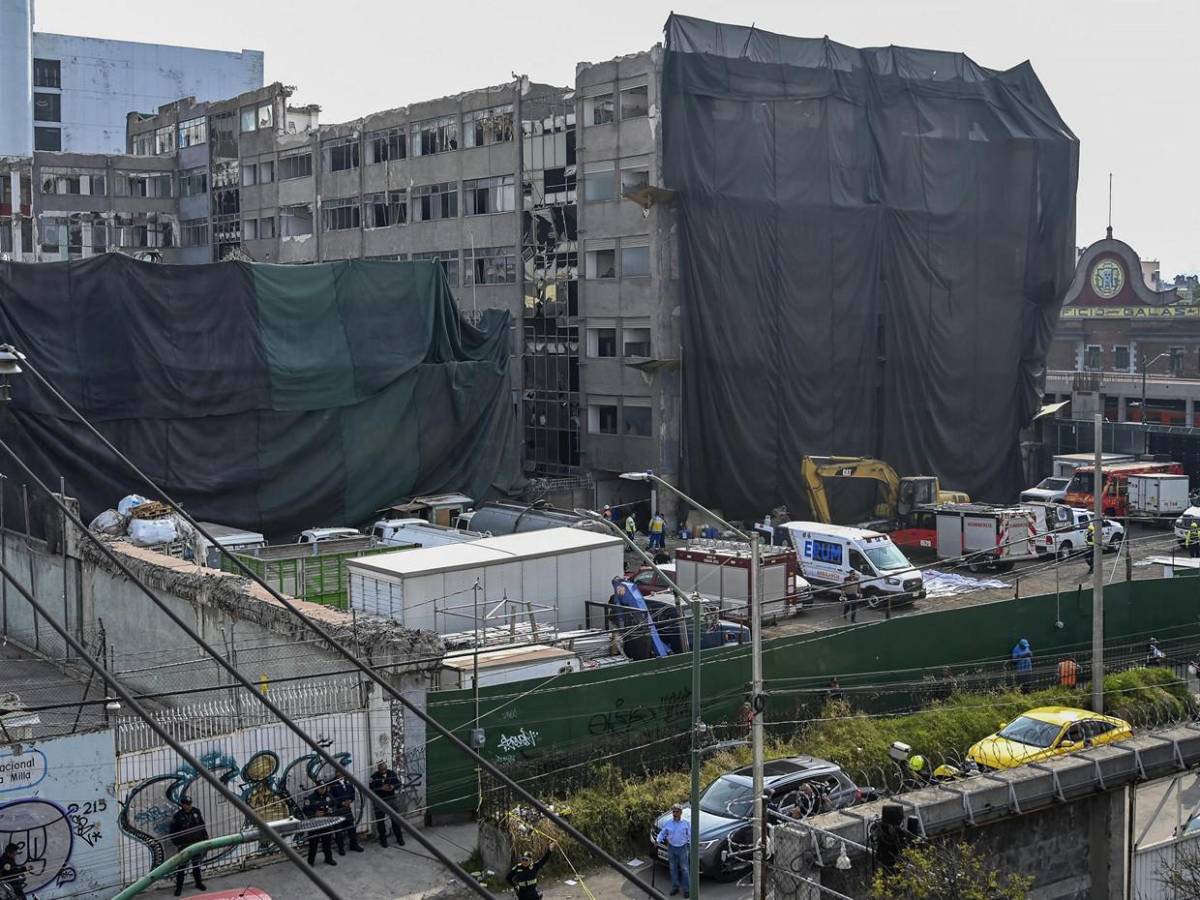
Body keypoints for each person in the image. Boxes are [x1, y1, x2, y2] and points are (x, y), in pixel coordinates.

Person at [168, 796, 208, 896]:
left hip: (197, 843)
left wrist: (205, 838)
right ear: (182, 804)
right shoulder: (178, 816)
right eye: (186, 804)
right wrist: (178, 843)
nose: (189, 806)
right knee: (181, 867)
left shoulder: (196, 812)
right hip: (185, 845)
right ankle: (179, 888)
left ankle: (198, 883)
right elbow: (173, 832)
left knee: (196, 865)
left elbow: (202, 825)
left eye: (190, 804)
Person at [369, 760, 407, 848]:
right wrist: (381, 788)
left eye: (385, 769)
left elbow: (398, 783)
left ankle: (399, 838)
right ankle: (383, 840)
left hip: (391, 799)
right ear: (378, 769)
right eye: (381, 769)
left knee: (395, 819)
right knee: (380, 821)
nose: (383, 771)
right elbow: (371, 788)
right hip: (379, 800)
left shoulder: (391, 773)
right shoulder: (374, 776)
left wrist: (393, 786)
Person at [657, 802, 691, 898]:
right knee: (673, 868)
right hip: (671, 848)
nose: (675, 814)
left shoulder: (686, 823)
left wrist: (692, 846)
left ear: (681, 812)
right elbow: (662, 833)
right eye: (673, 812)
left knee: (684, 869)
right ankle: (675, 887)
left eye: (676, 812)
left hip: (682, 848)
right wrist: (657, 841)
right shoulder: (668, 823)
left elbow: (690, 836)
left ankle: (686, 889)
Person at [303, 782, 339, 866]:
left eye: (324, 788)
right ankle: (310, 861)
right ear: (317, 788)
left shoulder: (329, 796)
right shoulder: (310, 798)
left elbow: (335, 805)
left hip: (326, 823)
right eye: (321, 788)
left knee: (327, 843)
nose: (323, 790)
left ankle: (328, 858)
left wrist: (331, 811)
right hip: (315, 825)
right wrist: (314, 814)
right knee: (313, 844)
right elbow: (305, 810)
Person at [330, 776, 364, 854]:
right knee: (338, 830)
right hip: (338, 811)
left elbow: (353, 793)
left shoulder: (348, 782)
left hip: (347, 810)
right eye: (338, 771)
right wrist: (341, 803)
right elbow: (331, 798)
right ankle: (341, 848)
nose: (340, 773)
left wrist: (350, 800)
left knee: (351, 828)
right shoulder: (332, 784)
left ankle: (353, 845)